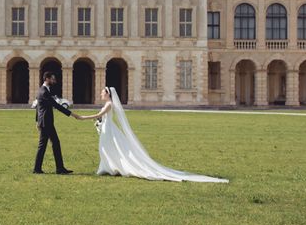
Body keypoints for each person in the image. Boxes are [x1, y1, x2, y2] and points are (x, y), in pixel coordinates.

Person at [76, 86, 229, 182]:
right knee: (107, 149)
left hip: (109, 130)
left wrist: (82, 117)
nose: (101, 94)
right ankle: (108, 167)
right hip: (107, 129)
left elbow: (99, 114)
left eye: (102, 92)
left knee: (110, 149)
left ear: (107, 94)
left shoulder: (109, 104)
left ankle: (111, 168)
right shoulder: (107, 103)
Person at [33, 72, 80, 174]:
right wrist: (72, 114)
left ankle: (55, 168)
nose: (54, 81)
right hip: (46, 123)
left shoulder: (43, 90)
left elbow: (38, 107)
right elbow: (56, 105)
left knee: (51, 144)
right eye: (52, 79)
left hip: (45, 122)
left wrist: (37, 121)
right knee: (47, 145)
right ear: (47, 79)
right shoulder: (44, 92)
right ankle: (53, 168)